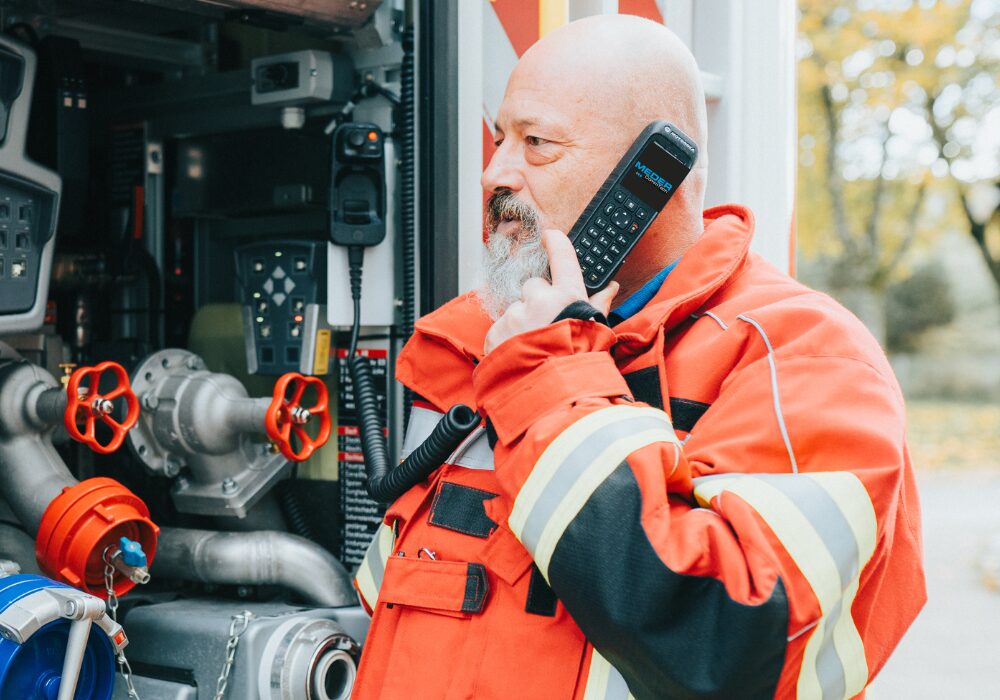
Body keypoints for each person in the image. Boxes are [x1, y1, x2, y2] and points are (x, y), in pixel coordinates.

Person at [351, 14, 925, 700]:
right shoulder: (473, 342)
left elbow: (727, 647)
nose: (494, 172)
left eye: (537, 143)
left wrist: (545, 376)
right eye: (501, 137)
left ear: (654, 174)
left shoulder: (804, 359)